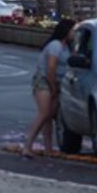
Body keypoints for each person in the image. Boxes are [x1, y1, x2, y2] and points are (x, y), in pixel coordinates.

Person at [21, 17, 76, 158]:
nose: (74, 34)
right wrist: (53, 88)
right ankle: (27, 146)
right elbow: (51, 68)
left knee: (49, 117)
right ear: (66, 31)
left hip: (56, 82)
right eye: (73, 31)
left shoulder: (67, 47)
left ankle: (48, 148)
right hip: (45, 81)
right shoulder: (55, 46)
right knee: (44, 113)